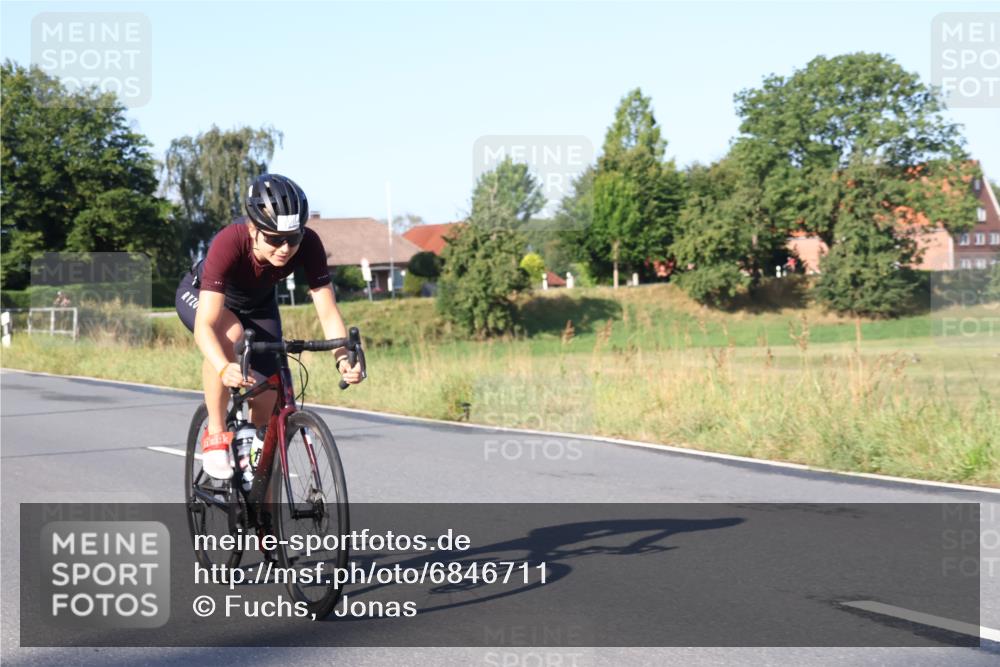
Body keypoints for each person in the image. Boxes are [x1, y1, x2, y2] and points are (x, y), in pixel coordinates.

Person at [175, 174, 363, 478]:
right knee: (231, 334)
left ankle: (254, 473)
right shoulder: (230, 241)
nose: (285, 248)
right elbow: (206, 325)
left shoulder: (309, 244)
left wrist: (342, 358)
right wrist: (223, 367)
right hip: (203, 297)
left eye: (293, 238)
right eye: (275, 239)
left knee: (268, 393)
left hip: (259, 306)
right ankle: (216, 434)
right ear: (253, 230)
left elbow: (328, 311)